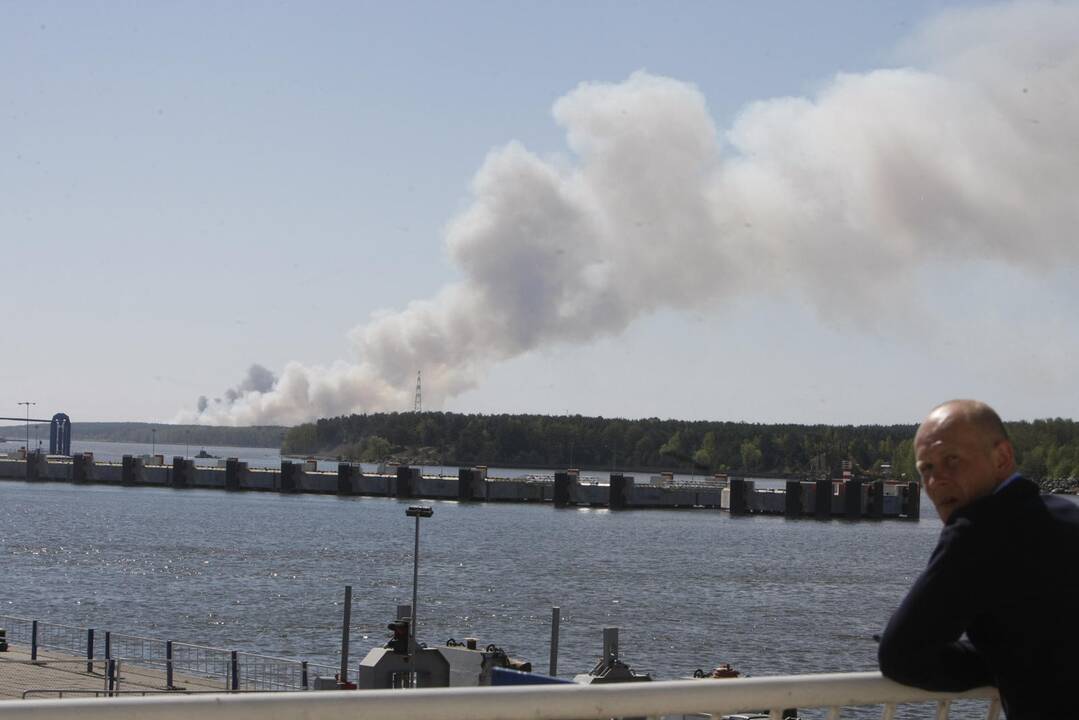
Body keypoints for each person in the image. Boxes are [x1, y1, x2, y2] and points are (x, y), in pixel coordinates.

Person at [878, 399, 1079, 719]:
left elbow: (901, 657)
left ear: (1002, 457)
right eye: (926, 468)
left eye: (952, 460)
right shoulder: (1068, 515)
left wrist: (994, 665)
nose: (936, 480)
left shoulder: (976, 530)